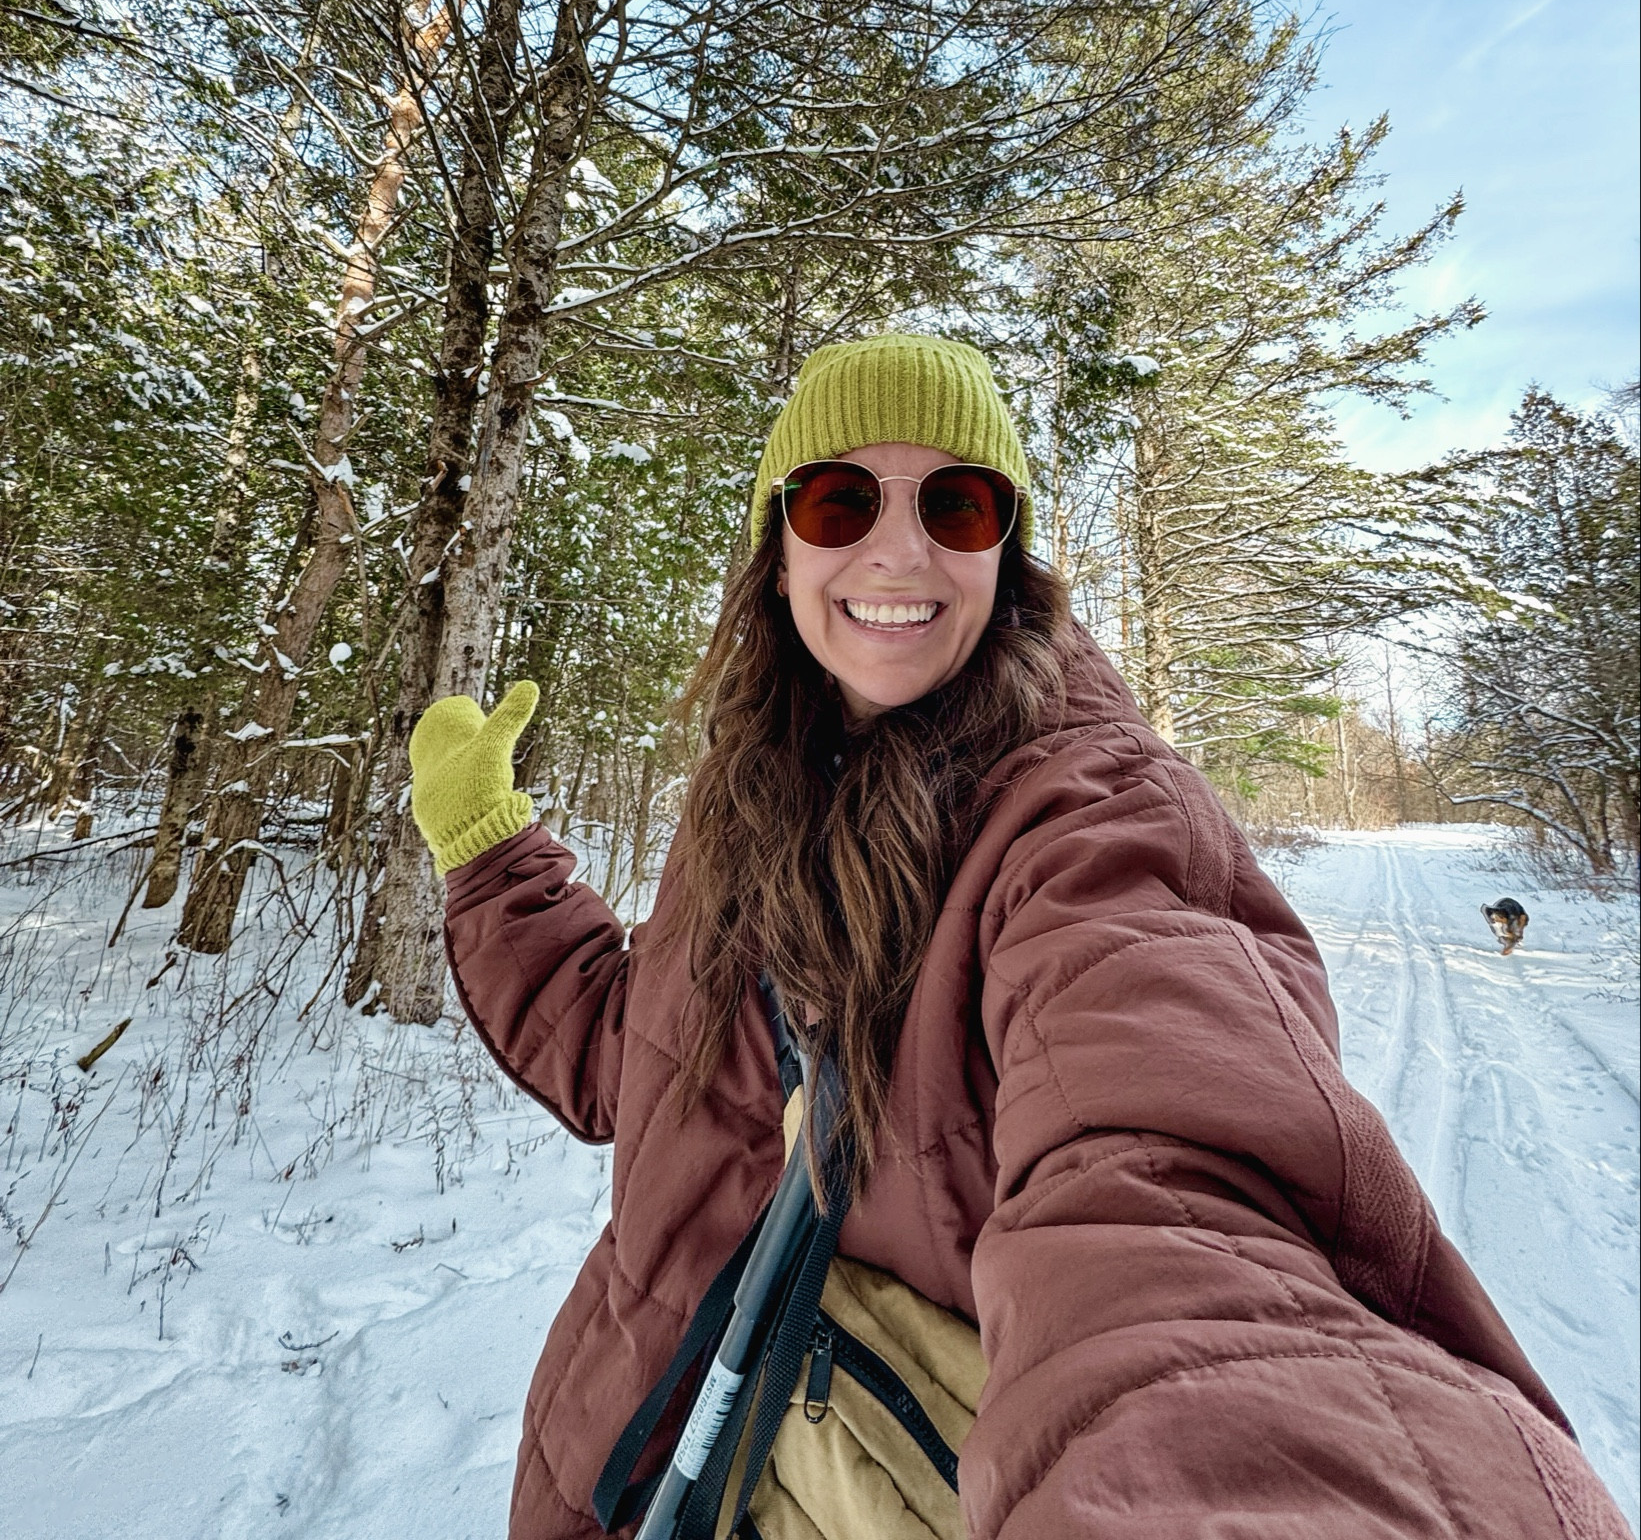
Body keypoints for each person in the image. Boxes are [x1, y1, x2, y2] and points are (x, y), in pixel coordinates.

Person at [411, 334, 1629, 1540]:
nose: (899, 545)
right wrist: (489, 851)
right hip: (641, 1460)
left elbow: (1170, 1193)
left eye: (958, 501)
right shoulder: (743, 799)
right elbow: (642, 1058)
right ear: (776, 553)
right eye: (839, 500)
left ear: (1008, 550)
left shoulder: (1093, 811)